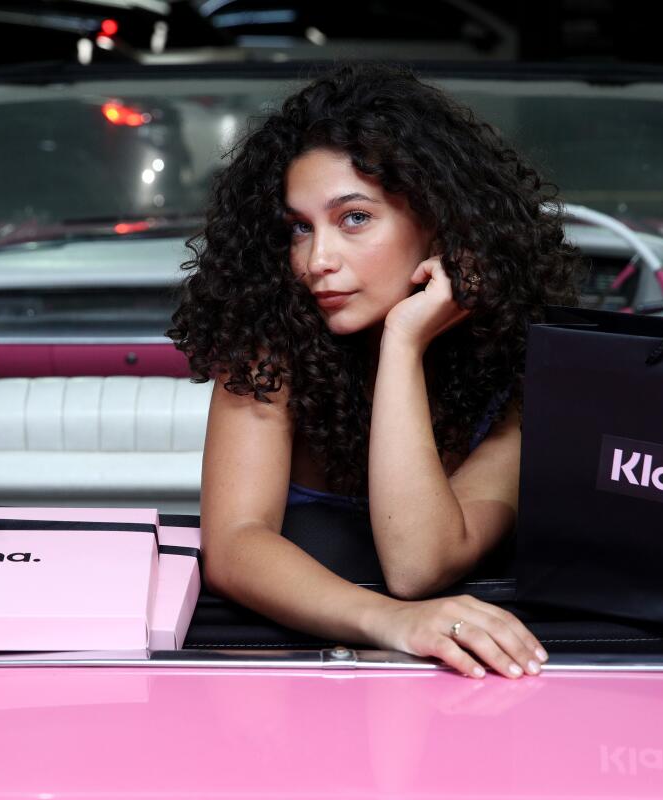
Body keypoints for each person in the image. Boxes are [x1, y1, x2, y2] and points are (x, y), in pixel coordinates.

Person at [169, 63, 582, 678]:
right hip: (294, 683)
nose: (316, 260)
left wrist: (403, 343)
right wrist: (390, 623)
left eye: (354, 218)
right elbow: (233, 545)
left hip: (474, 698)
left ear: (438, 220)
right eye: (299, 229)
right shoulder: (271, 345)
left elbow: (420, 566)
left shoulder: (523, 371)